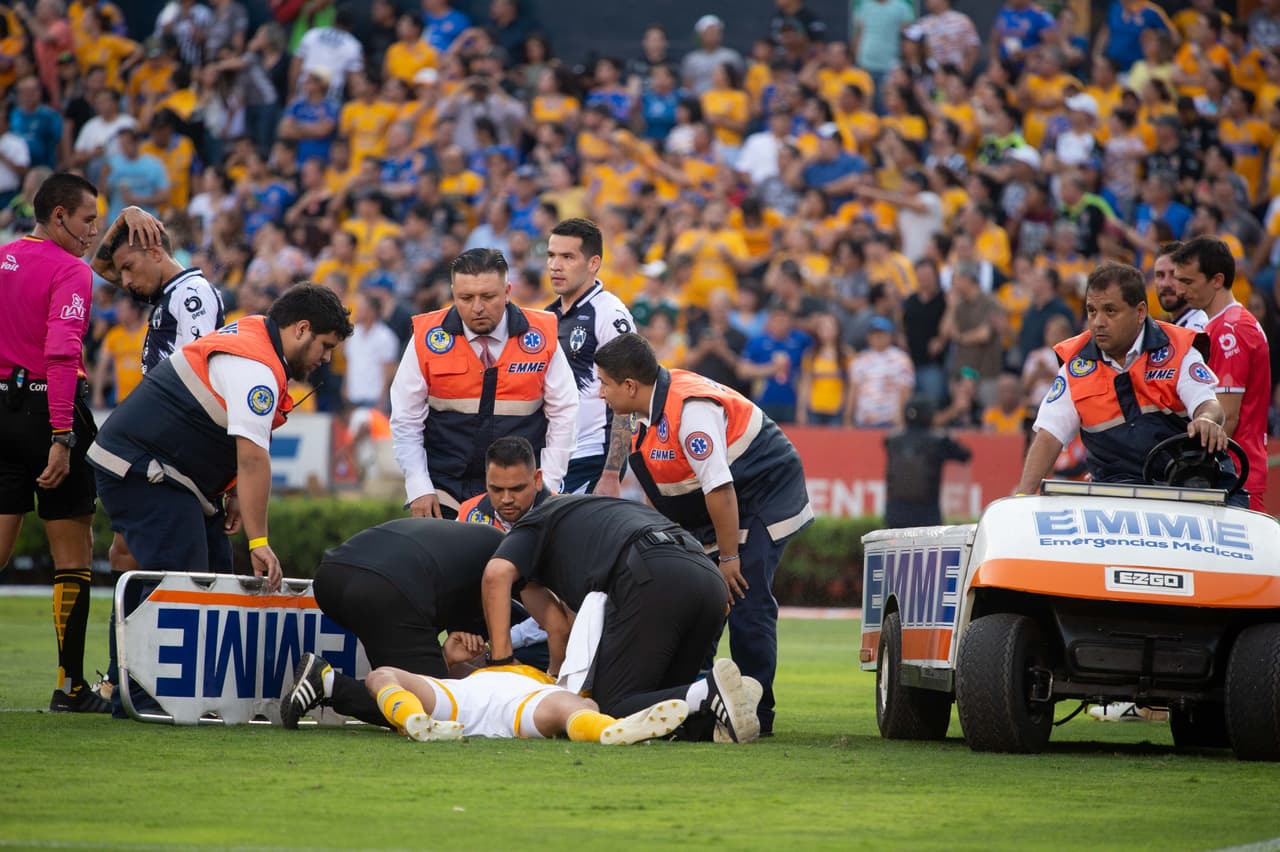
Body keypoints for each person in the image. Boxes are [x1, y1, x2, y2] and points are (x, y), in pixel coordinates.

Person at [593, 333, 813, 737]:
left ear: (629, 385)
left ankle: (755, 715)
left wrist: (729, 559)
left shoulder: (691, 411)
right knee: (701, 598)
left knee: (744, 596)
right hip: (721, 504)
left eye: (604, 383)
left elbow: (720, 488)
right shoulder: (640, 407)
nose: (599, 392)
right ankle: (698, 699)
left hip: (763, 493)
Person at [87, 285, 352, 589]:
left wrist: (236, 491)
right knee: (184, 587)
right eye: (326, 345)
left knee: (217, 579)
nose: (328, 358)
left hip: (171, 471)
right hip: (141, 466)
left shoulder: (257, 336)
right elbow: (252, 459)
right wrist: (259, 541)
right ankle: (133, 636)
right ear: (302, 329)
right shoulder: (257, 368)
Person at [480, 493, 763, 743]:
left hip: (654, 574)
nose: (506, 498)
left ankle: (708, 690)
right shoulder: (591, 512)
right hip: (707, 575)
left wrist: (502, 662)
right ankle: (721, 708)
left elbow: (497, 574)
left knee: (613, 707)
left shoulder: (531, 525)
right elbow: (560, 627)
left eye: (513, 489)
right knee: (661, 705)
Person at [0, 172, 107, 713]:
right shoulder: (70, 271)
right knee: (74, 553)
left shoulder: (3, 258)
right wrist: (62, 435)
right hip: (48, 409)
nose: (94, 231)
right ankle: (69, 686)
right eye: (88, 220)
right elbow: (63, 353)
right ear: (60, 216)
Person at [1014, 262, 1233, 498]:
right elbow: (1048, 437)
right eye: (1091, 311)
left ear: (1140, 312)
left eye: (1110, 311)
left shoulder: (1179, 349)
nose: (1098, 321)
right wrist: (1021, 498)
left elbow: (1208, 405)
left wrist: (1207, 420)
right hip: (1114, 493)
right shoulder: (1075, 367)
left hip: (1184, 489)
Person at [389, 248, 577, 519]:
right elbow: (406, 419)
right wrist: (417, 485)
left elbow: (564, 414)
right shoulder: (426, 338)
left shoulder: (541, 336)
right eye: (465, 298)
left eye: (488, 297)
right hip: (444, 489)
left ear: (508, 291)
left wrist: (547, 485)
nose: (477, 307)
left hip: (518, 492)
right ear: (453, 293)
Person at [367, 655, 688, 744]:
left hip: (524, 698)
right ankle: (414, 720)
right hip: (462, 694)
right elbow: (456, 668)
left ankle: (608, 730)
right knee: (381, 674)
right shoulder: (476, 671)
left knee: (573, 707)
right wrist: (457, 657)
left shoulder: (542, 675)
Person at [1172, 237, 1270, 511]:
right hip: (1234, 472)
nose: (1180, 290)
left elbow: (1226, 416)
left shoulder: (1230, 332)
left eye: (1189, 282)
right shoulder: (1225, 325)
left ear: (1217, 280)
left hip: (1234, 477)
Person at [543, 218, 635, 496]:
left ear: (593, 263)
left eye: (567, 257)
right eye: (551, 256)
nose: (555, 266)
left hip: (592, 457)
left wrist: (611, 473)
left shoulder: (609, 314)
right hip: (555, 456)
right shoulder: (547, 316)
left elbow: (629, 395)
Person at [883, 396, 972, 527]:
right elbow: (965, 455)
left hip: (895, 514)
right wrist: (943, 430)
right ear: (929, 415)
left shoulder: (892, 441)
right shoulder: (939, 441)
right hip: (926, 515)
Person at [1152, 241, 1206, 330]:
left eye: (1174, 274)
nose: (1166, 284)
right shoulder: (1179, 326)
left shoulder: (1197, 329)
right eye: (1160, 275)